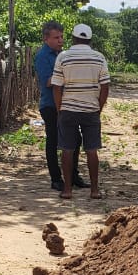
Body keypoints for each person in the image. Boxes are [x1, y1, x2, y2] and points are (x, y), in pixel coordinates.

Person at [50, 22, 109, 200]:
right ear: (90, 40)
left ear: (73, 38)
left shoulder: (63, 57)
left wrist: (60, 109)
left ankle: (67, 190)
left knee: (67, 149)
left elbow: (56, 87)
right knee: (92, 150)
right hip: (91, 110)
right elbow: (105, 86)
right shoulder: (99, 58)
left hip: (68, 109)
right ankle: (94, 190)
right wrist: (98, 107)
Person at [33, 20, 84, 192]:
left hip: (66, 104)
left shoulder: (62, 55)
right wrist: (69, 78)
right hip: (50, 105)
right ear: (46, 38)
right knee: (54, 141)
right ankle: (56, 179)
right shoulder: (42, 56)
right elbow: (47, 81)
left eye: (62, 37)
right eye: (56, 37)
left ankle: (73, 176)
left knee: (76, 139)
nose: (61, 40)